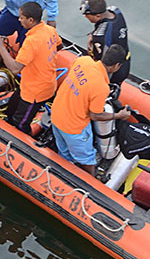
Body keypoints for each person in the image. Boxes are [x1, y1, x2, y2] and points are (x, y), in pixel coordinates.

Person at [51, 45, 132, 174]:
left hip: (56, 115)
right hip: (73, 128)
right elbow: (95, 115)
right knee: (87, 160)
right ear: (117, 66)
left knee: (64, 152)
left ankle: (63, 172)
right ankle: (90, 182)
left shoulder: (84, 61)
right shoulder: (101, 87)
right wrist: (118, 115)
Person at [0, 2, 61, 134]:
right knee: (10, 110)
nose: (19, 20)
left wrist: (0, 46)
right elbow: (59, 45)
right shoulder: (49, 30)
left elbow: (15, 69)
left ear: (30, 20)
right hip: (31, 84)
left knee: (21, 123)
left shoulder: (32, 41)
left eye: (21, 18)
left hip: (36, 91)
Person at [81, 0, 131, 87]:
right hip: (125, 60)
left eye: (87, 15)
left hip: (113, 72)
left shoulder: (100, 37)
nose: (85, 16)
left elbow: (100, 62)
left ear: (98, 16)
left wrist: (90, 46)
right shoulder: (115, 10)